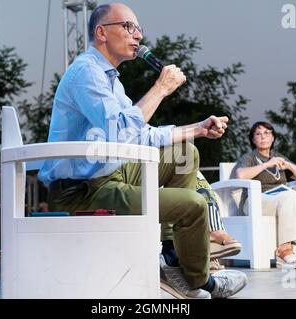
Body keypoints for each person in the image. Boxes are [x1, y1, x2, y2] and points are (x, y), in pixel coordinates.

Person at [38, 3, 247, 299]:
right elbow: (119, 131)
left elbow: (140, 135)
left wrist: (198, 128)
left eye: (139, 29)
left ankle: (169, 254)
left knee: (185, 155)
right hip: (80, 190)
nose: (137, 36)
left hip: (110, 170)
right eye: (128, 27)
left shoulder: (112, 80)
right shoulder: (86, 73)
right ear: (101, 32)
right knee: (193, 205)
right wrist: (160, 88)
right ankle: (200, 282)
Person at [233, 121, 296, 268]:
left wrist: (289, 166)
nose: (263, 137)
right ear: (253, 139)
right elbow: (240, 175)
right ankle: (284, 251)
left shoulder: (279, 157)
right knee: (290, 196)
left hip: (281, 200)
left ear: (273, 138)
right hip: (256, 201)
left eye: (267, 133)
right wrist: (267, 164)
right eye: (258, 134)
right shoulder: (250, 157)